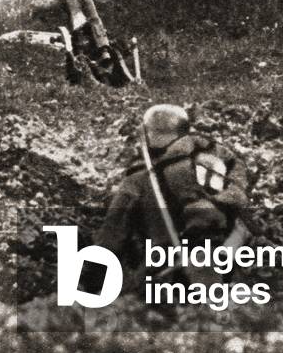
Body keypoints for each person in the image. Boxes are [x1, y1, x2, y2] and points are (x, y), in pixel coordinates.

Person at [86, 104, 248, 290]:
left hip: (172, 274)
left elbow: (111, 237)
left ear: (148, 134)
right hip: (228, 263)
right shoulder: (221, 162)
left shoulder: (138, 179)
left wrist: (89, 281)